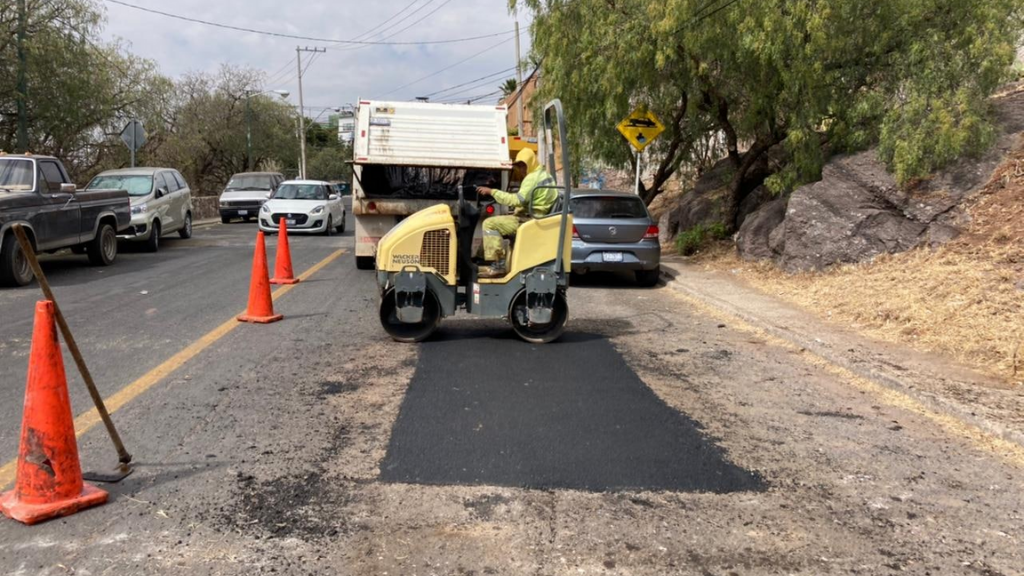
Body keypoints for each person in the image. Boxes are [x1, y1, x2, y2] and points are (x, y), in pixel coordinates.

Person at [475, 148, 557, 277]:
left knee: (489, 224)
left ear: (530, 163)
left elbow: (517, 200)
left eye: (523, 165)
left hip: (529, 220)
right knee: (500, 222)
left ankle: (498, 265)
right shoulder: (546, 175)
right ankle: (483, 259)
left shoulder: (532, 178)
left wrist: (492, 192)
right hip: (537, 216)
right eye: (519, 166)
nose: (521, 169)